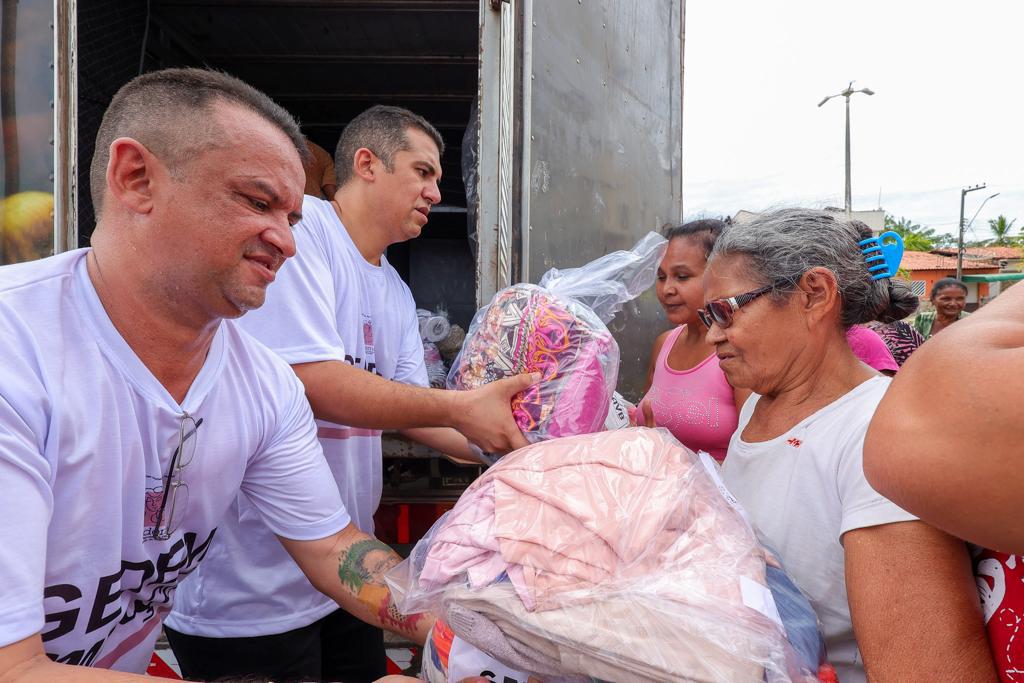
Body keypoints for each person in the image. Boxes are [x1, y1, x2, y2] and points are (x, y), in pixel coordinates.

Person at [0, 68, 528, 681]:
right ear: (135, 179)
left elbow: (334, 551)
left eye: (293, 217)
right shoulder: (20, 354)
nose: (286, 242)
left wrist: (492, 631)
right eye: (256, 202)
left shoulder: (260, 383)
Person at [165, 105, 488, 682]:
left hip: (345, 569)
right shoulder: (302, 234)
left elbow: (413, 407)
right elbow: (312, 381)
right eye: (423, 172)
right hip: (253, 587)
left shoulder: (390, 285)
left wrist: (507, 446)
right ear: (367, 163)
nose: (436, 192)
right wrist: (463, 408)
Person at [702, 209, 995, 682]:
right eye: (706, 315)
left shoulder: (878, 433)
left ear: (814, 295)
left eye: (723, 311)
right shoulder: (759, 406)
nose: (713, 334)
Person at [864, 279, 1024, 553]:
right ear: (933, 299)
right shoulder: (925, 326)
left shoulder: (972, 331)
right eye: (946, 298)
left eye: (959, 298)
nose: (953, 304)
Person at [633, 219, 749, 460]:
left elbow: (754, 456)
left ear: (719, 276)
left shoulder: (739, 350)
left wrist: (681, 468)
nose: (667, 290)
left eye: (682, 277)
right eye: (661, 277)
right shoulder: (664, 344)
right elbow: (643, 421)